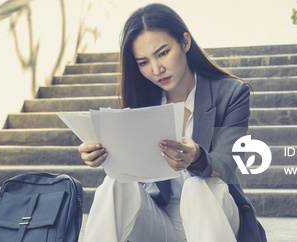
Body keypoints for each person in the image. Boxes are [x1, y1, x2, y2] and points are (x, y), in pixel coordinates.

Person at [79, 3, 267, 242]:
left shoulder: (231, 93)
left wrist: (197, 156)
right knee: (113, 184)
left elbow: (228, 164)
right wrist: (105, 155)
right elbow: (132, 172)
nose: (157, 69)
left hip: (216, 215)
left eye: (162, 53)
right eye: (143, 62)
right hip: (162, 222)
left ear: (185, 42)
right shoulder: (143, 103)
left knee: (196, 187)